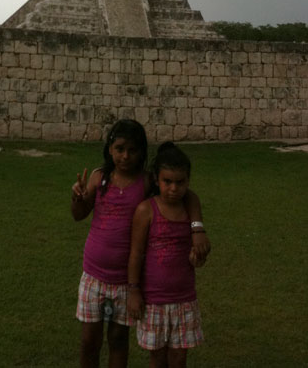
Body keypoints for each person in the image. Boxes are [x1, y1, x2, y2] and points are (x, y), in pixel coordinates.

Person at [71, 122, 210, 368]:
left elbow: (185, 193)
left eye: (132, 150)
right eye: (119, 148)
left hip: (126, 281)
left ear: (142, 152)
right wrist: (78, 198)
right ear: (110, 149)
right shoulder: (99, 178)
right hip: (94, 275)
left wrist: (197, 227)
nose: (125, 156)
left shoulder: (147, 182)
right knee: (88, 340)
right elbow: (79, 213)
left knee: (118, 339)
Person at [127, 142, 205, 368]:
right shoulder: (146, 210)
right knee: (158, 358)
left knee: (179, 359)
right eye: (167, 181)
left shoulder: (189, 208)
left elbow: (194, 251)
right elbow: (136, 253)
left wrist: (196, 256)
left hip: (184, 298)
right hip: (154, 300)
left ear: (188, 181)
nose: (173, 188)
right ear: (156, 180)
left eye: (180, 182)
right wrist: (133, 290)